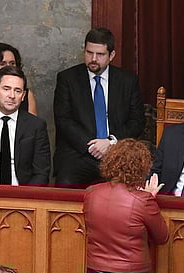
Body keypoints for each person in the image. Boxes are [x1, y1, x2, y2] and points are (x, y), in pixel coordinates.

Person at [83, 139, 169, 273]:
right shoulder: (143, 201)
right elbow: (162, 237)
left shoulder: (91, 192)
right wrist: (149, 197)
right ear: (141, 166)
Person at [53, 27, 145, 187]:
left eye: (100, 54)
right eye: (89, 53)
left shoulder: (127, 81)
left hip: (116, 152)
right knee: (65, 184)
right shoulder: (68, 79)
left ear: (112, 55)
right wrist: (92, 146)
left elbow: (137, 121)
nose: (93, 59)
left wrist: (110, 142)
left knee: (127, 188)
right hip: (79, 152)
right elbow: (63, 120)